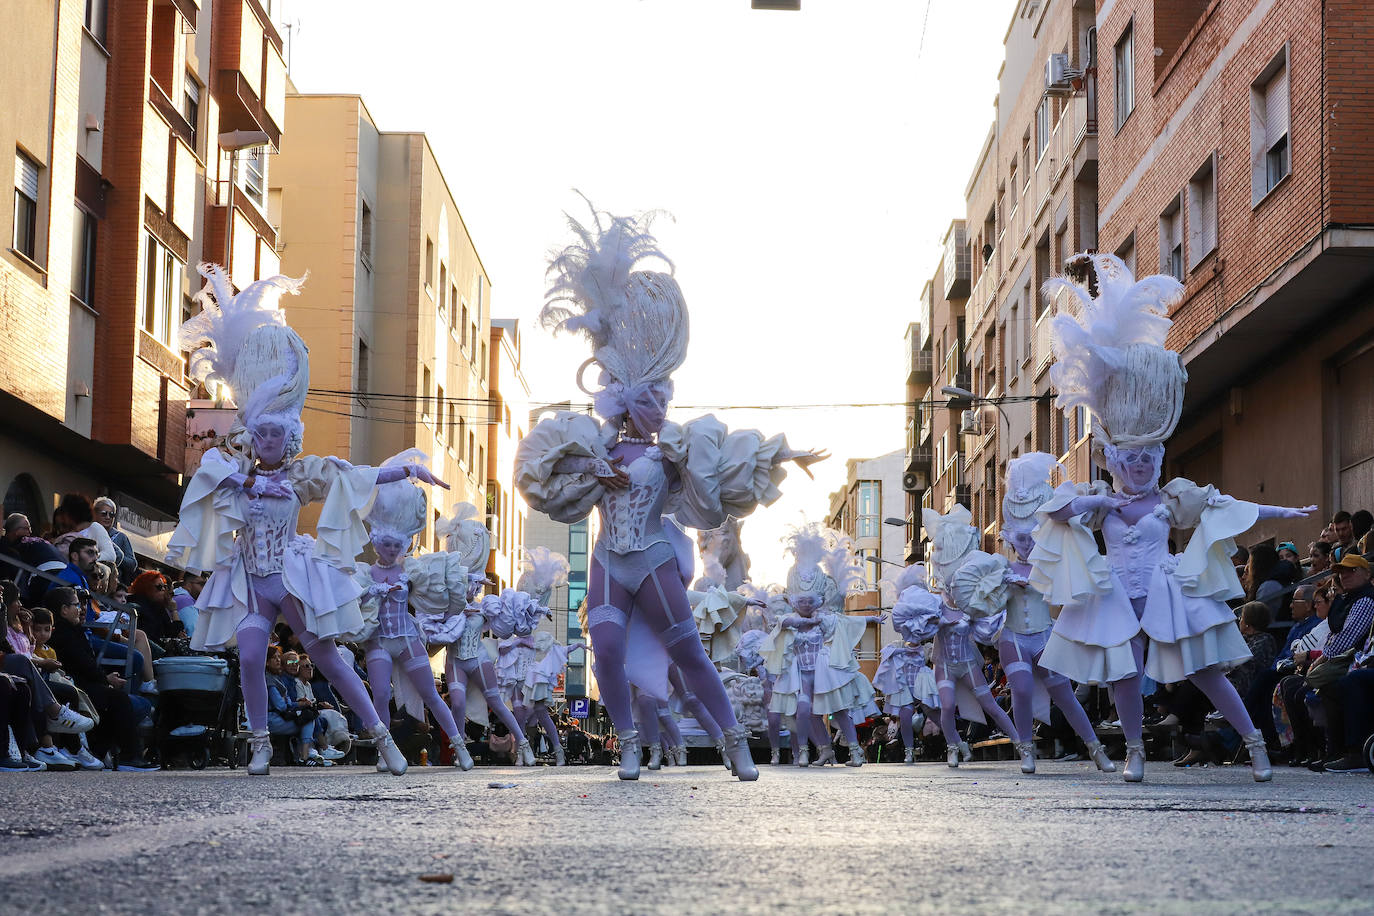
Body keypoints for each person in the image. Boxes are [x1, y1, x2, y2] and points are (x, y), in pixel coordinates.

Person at [514, 199, 825, 782]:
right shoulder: (594, 443)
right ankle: (628, 742)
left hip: (653, 559)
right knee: (604, 651)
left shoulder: (672, 450)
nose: (661, 409)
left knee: (689, 654)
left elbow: (731, 455)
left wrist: (784, 451)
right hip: (610, 559)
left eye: (664, 399)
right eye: (652, 399)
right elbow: (542, 477)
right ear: (628, 398)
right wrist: (590, 476)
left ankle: (734, 740)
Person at [1031, 253, 1314, 783]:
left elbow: (1227, 505)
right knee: (1124, 673)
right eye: (1130, 459)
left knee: (1205, 670)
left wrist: (1286, 509)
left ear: (1156, 459)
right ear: (1115, 460)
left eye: (1147, 459)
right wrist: (1097, 504)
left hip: (1165, 589)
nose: (1139, 466)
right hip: (1116, 593)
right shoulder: (1099, 496)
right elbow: (1057, 511)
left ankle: (1254, 744)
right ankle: (1134, 750)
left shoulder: (1171, 496)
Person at [166, 265, 445, 777]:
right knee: (250, 656)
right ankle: (260, 743)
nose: (270, 440)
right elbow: (209, 470)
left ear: (290, 437)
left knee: (330, 659)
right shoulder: (233, 467)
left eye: (279, 433)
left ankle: (382, 738)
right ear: (254, 432)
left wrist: (405, 470)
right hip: (250, 579)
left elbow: (355, 475)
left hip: (291, 578)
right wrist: (249, 482)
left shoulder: (302, 474)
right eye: (263, 432)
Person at [996, 453, 1115, 774]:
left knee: (1064, 694)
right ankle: (1026, 750)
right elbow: (986, 604)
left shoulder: (1052, 561)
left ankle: (1095, 748)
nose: (1026, 545)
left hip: (1046, 635)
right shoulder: (1001, 568)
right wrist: (1003, 585)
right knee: (1020, 689)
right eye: (1020, 538)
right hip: (1014, 637)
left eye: (1031, 537)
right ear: (1009, 537)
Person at [352, 454, 470, 771]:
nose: (391, 550)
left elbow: (442, 584)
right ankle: (383, 750)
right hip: (378, 641)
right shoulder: (365, 574)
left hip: (406, 638)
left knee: (430, 694)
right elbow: (353, 596)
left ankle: (460, 746)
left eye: (396, 546)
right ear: (377, 544)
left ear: (403, 545)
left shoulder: (414, 570)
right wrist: (372, 592)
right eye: (386, 545)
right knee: (379, 693)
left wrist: (467, 581)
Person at [44, 587, 156, 770]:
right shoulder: (63, 634)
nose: (81, 609)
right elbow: (82, 665)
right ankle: (130, 756)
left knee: (125, 702)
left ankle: (100, 749)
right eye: (76, 605)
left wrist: (105, 680)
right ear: (64, 609)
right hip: (76, 686)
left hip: (84, 683)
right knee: (121, 701)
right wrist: (106, 680)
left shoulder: (72, 630)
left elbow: (86, 665)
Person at [92, 497, 137, 586]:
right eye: (104, 514)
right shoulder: (88, 531)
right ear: (95, 514)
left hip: (112, 585)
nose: (108, 517)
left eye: (111, 514)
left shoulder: (120, 537)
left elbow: (132, 564)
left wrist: (115, 554)